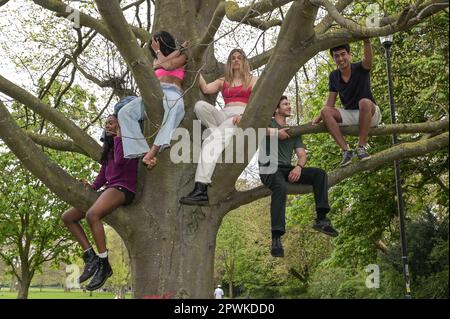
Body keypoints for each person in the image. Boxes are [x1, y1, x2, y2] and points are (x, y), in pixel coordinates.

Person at [61, 114, 138, 291]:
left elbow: (120, 162)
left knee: (92, 215)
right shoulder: (109, 147)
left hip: (124, 189)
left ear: (121, 125)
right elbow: (105, 172)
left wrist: (119, 136)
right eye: (106, 124)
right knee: (68, 217)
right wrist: (93, 186)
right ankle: (91, 257)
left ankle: (104, 264)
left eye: (111, 123)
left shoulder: (129, 142)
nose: (108, 126)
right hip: (110, 189)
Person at [259, 96, 338, 258]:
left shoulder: (295, 131)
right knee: (280, 187)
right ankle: (276, 238)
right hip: (269, 168)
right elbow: (254, 128)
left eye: (289, 104)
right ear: (276, 109)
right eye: (285, 104)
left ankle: (322, 219)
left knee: (319, 174)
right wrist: (276, 133)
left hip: (287, 169)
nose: (289, 106)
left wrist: (298, 167)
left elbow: (302, 155)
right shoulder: (268, 124)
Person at [180, 48, 259, 205]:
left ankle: (201, 189)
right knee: (200, 106)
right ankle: (219, 137)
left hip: (240, 117)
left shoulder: (253, 80)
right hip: (224, 115)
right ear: (229, 62)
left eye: (239, 58)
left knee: (210, 143)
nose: (236, 60)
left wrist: (245, 117)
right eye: (233, 58)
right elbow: (206, 89)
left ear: (244, 61)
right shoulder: (224, 80)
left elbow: (257, 103)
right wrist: (193, 67)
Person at [117, 30, 187, 168]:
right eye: (154, 44)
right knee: (124, 113)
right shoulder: (156, 59)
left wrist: (163, 51)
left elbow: (168, 65)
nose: (156, 45)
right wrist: (166, 52)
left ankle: (153, 151)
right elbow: (157, 65)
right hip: (154, 93)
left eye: (158, 42)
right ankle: (140, 150)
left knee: (174, 107)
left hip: (172, 91)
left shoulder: (183, 57)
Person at [312, 40, 381, 167]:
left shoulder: (360, 68)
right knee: (325, 111)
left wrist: (366, 41)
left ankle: (361, 147)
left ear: (349, 55)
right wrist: (317, 119)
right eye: (336, 56)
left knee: (364, 102)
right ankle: (346, 151)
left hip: (370, 113)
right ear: (333, 59)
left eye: (343, 54)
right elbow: (330, 104)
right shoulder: (334, 76)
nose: (340, 58)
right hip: (351, 114)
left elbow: (369, 59)